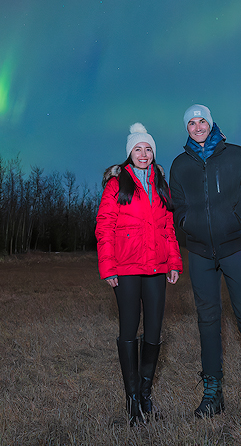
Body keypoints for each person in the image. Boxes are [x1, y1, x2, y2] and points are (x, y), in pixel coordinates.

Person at [169, 103, 241, 424]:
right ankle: (213, 394)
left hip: (235, 248)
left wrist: (235, 220)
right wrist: (189, 223)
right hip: (199, 252)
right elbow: (177, 206)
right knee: (208, 320)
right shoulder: (180, 165)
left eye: (202, 122)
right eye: (191, 124)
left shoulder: (238, 155)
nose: (197, 127)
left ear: (210, 124)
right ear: (186, 129)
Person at [96, 123, 182, 426]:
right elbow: (104, 227)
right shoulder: (117, 184)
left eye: (148, 149)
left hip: (157, 267)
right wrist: (108, 268)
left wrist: (173, 262)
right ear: (129, 154)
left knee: (155, 331)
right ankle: (132, 401)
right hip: (127, 268)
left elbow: (167, 227)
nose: (143, 154)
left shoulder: (160, 183)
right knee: (129, 330)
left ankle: (146, 395)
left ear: (153, 153)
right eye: (137, 149)